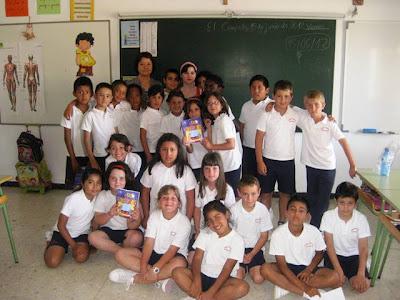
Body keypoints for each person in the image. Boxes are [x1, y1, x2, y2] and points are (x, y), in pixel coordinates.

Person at [109, 185, 191, 293]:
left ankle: (134, 278)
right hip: (153, 252)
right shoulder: (154, 216)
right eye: (164, 198)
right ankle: (160, 278)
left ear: (179, 203)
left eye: (173, 198)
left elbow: (172, 251)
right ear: (158, 203)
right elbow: (148, 243)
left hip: (172, 257)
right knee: (120, 254)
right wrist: (143, 267)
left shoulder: (184, 222)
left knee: (180, 264)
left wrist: (155, 269)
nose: (168, 201)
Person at [296, 90, 356, 227]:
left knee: (322, 201)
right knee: (311, 198)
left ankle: (317, 228)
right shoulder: (303, 117)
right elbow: (285, 105)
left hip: (327, 168)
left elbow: (344, 142)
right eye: (309, 105)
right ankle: (314, 225)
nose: (312, 108)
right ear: (305, 105)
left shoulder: (330, 123)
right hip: (311, 167)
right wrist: (270, 104)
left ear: (323, 105)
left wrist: (352, 165)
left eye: (316, 105)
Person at [261, 195, 340, 299]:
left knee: (335, 277)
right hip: (287, 267)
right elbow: (282, 266)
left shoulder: (314, 231)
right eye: (292, 210)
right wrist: (306, 288)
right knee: (265, 269)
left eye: (301, 211)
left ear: (307, 216)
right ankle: (302, 291)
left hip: (308, 269)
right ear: (286, 213)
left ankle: (286, 285)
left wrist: (308, 270)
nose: (296, 214)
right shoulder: (278, 234)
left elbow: (320, 252)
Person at [172, 200, 249, 300]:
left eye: (218, 216)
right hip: (202, 274)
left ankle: (203, 297)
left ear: (227, 215)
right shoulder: (205, 233)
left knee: (243, 287)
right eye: (210, 220)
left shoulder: (237, 240)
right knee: (177, 272)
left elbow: (227, 268)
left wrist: (212, 292)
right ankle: (201, 295)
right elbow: (197, 258)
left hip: (223, 280)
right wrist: (196, 281)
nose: (215, 223)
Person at [255, 80, 298, 224]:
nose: (282, 100)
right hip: (268, 160)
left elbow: (314, 114)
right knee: (266, 193)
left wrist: (328, 117)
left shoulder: (295, 113)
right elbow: (259, 138)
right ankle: (265, 223)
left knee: (285, 194)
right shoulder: (266, 113)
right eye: (279, 96)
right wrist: (260, 161)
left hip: (287, 161)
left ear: (291, 97)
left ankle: (282, 221)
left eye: (286, 96)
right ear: (274, 96)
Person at [44, 168, 102, 268]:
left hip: (81, 233)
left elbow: (95, 220)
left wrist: (94, 239)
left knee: (81, 258)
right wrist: (74, 246)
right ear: (83, 184)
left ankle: (77, 246)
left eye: (98, 183)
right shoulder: (73, 199)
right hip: (62, 232)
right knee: (52, 262)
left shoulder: (99, 197)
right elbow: (61, 226)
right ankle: (50, 241)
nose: (95, 187)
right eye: (90, 182)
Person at [320, 182, 370, 293]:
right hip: (334, 256)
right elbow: (329, 246)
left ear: (355, 204)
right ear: (336, 201)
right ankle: (335, 274)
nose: (345, 207)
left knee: (362, 286)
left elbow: (363, 248)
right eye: (342, 203)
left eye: (350, 203)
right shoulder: (328, 216)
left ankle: (357, 273)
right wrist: (338, 269)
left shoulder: (361, 219)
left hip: (354, 257)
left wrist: (361, 273)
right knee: (336, 283)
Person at [140, 133, 196, 228]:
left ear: (178, 151)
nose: (168, 154)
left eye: (172, 150)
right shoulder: (152, 169)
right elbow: (144, 194)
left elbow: (191, 199)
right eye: (164, 150)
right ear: (159, 151)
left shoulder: (186, 171)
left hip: (179, 220)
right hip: (156, 219)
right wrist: (146, 216)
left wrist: (187, 220)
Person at [88, 162, 143, 254]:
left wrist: (137, 219)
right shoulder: (103, 195)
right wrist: (110, 214)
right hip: (108, 230)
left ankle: (117, 247)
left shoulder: (131, 196)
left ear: (126, 180)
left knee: (136, 238)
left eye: (121, 179)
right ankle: (121, 251)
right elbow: (98, 220)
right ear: (108, 179)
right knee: (93, 237)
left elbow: (131, 226)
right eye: (113, 178)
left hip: (127, 231)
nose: (117, 182)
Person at [230, 175, 272, 284]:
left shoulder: (263, 210)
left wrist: (252, 254)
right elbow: (230, 235)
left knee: (258, 279)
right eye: (245, 194)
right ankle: (244, 269)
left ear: (259, 192)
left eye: (253, 194)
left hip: (255, 248)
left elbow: (264, 236)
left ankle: (252, 267)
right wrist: (239, 252)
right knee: (237, 278)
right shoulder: (233, 210)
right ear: (239, 193)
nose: (249, 199)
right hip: (238, 248)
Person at [203, 92, 242, 195]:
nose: (212, 106)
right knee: (223, 195)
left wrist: (211, 146)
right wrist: (209, 128)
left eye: (215, 103)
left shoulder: (224, 120)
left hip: (230, 166)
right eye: (209, 103)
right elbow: (212, 147)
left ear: (222, 104)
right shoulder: (217, 121)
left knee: (230, 196)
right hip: (223, 165)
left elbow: (231, 144)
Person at [60, 76, 93, 188]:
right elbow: (67, 137)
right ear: (74, 93)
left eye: (87, 92)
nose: (84, 95)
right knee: (75, 188)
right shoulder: (69, 112)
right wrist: (73, 159)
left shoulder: (94, 108)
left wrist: (71, 103)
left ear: (92, 94)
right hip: (75, 155)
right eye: (80, 92)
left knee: (92, 188)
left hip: (92, 155)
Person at [194, 152, 236, 238]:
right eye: (207, 169)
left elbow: (231, 213)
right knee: (193, 251)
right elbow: (197, 209)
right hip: (205, 227)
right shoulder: (199, 186)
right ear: (202, 170)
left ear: (220, 169)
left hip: (221, 228)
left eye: (214, 168)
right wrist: (198, 230)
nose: (211, 172)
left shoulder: (227, 189)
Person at [239, 75, 272, 177]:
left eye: (260, 87)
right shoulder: (246, 106)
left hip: (265, 150)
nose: (256, 90)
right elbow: (242, 126)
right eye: (253, 87)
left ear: (267, 90)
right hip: (248, 149)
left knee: (263, 182)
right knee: (248, 181)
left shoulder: (272, 105)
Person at [81, 82, 116, 171]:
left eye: (108, 96)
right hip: (99, 155)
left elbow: (116, 132)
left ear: (111, 98)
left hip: (114, 154)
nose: (104, 98)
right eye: (101, 95)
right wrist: (92, 159)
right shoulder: (90, 115)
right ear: (95, 96)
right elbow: (86, 139)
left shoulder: (112, 113)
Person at [117, 83, 146, 181]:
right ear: (127, 98)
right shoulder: (122, 112)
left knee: (140, 180)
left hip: (143, 151)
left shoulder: (145, 113)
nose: (134, 99)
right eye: (131, 96)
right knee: (127, 179)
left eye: (137, 95)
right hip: (127, 152)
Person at [183, 99, 208, 180]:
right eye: (190, 111)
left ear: (201, 110)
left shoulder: (208, 124)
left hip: (207, 162)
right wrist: (187, 144)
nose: (193, 113)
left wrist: (208, 129)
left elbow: (211, 148)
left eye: (196, 109)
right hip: (194, 164)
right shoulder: (186, 127)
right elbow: (190, 150)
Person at [139, 84, 164, 163]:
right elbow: (142, 136)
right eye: (154, 97)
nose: (156, 100)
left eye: (159, 97)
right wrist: (148, 154)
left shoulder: (163, 113)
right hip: (151, 151)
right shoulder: (145, 114)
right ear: (149, 98)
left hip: (162, 150)